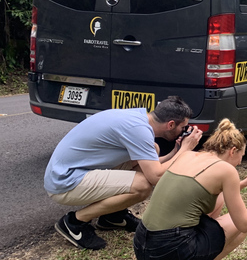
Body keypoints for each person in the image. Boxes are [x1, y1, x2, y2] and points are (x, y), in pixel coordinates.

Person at [45, 96, 202, 250]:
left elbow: (153, 165)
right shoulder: (138, 130)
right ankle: (74, 222)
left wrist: (176, 151)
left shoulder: (138, 118)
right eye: (183, 128)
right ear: (171, 124)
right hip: (65, 182)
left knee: (154, 149)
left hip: (75, 169)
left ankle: (113, 216)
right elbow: (156, 176)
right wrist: (186, 149)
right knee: (142, 186)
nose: (184, 131)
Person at [133, 118, 247, 260]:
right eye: (241, 156)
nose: (240, 163)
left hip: (141, 243)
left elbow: (194, 192)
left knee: (219, 197)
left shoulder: (188, 155)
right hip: (171, 249)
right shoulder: (226, 170)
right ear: (233, 151)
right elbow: (244, 223)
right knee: (242, 219)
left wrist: (246, 182)